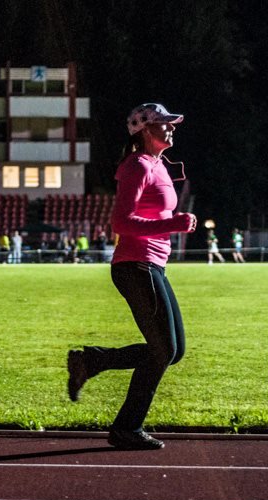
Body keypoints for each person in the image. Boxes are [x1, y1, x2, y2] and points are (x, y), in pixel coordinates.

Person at [66, 103, 196, 451]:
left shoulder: (158, 164)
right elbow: (120, 222)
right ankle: (127, 427)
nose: (172, 128)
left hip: (153, 264)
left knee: (173, 351)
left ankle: (92, 360)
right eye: (164, 124)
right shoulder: (136, 165)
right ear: (144, 130)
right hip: (135, 264)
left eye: (171, 123)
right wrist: (174, 223)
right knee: (163, 350)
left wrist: (172, 223)